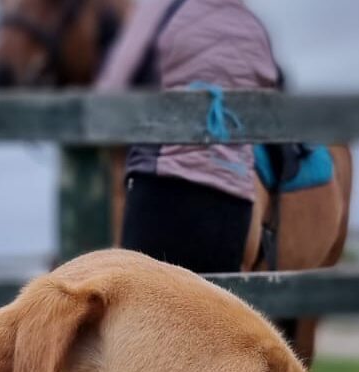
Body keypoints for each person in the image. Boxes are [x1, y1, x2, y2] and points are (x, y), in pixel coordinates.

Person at [96, 0, 280, 273]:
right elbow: (269, 88)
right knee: (211, 312)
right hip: (234, 200)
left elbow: (110, 94)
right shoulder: (251, 23)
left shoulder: (159, 8)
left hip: (163, 190)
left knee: (143, 302)